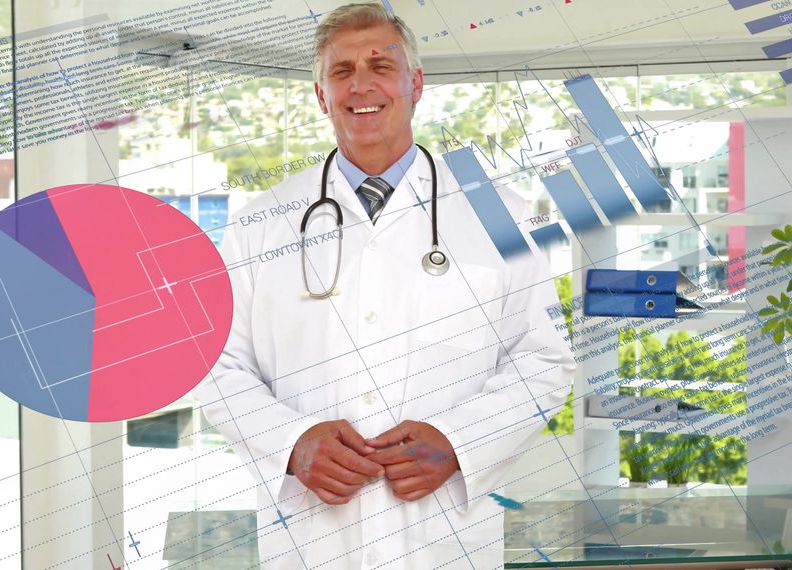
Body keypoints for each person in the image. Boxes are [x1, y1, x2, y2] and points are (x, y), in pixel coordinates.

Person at [194, 3, 575, 569]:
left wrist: (459, 441)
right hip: (312, 543)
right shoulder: (260, 223)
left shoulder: (503, 214)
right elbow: (217, 366)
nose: (361, 86)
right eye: (341, 71)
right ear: (321, 95)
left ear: (414, 84)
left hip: (446, 541)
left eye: (380, 66)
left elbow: (544, 360)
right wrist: (291, 444)